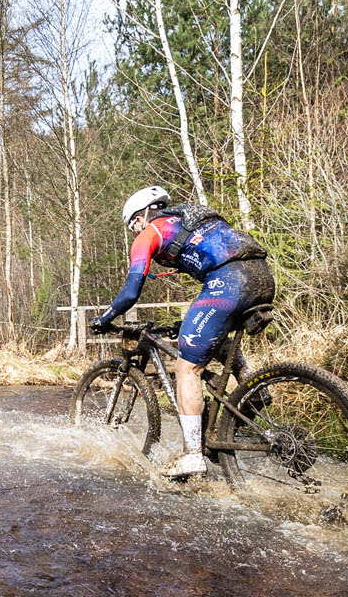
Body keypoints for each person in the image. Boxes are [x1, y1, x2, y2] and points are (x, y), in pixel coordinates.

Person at [90, 187, 272, 478]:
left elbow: (131, 291)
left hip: (228, 281)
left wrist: (106, 317)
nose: (134, 231)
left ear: (140, 217)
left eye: (132, 225)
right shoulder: (186, 220)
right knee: (214, 339)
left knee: (186, 367)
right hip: (261, 274)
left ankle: (192, 456)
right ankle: (253, 388)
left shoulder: (149, 233)